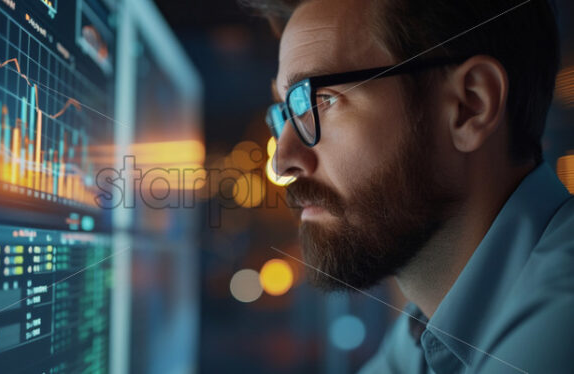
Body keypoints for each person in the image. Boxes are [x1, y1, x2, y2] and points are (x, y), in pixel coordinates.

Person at [245, 0, 573, 372]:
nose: (282, 160)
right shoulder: (424, 333)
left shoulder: (561, 320)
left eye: (320, 101)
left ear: (470, 106)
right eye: (285, 113)